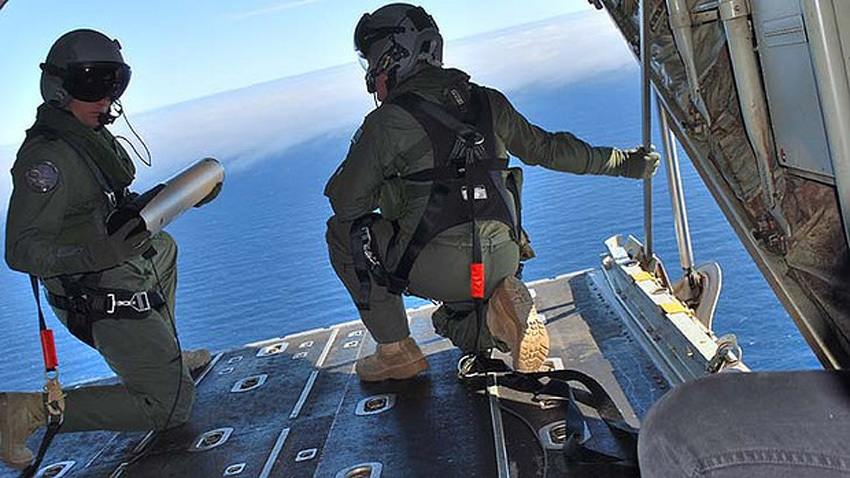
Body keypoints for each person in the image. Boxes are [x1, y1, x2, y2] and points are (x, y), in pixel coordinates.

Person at [325, 3, 660, 383]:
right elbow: (550, 149)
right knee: (458, 320)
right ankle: (501, 308)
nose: (371, 73)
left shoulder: (386, 122)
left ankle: (396, 352)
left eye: (372, 61)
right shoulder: (488, 101)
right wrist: (625, 163)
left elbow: (346, 203)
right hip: (500, 261)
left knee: (342, 232)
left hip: (435, 268)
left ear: (393, 56)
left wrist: (385, 179)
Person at [1, 29, 209, 470]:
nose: (106, 99)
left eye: (114, 85)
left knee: (162, 248)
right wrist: (97, 254)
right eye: (93, 85)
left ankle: (164, 361)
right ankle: (27, 412)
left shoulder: (86, 135)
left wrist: (177, 197)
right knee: (171, 408)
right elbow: (20, 251)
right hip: (91, 286)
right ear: (59, 89)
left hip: (115, 264)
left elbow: (100, 207)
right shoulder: (48, 159)